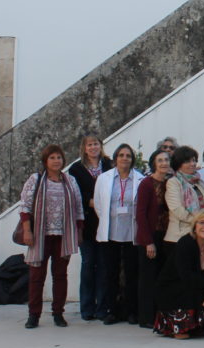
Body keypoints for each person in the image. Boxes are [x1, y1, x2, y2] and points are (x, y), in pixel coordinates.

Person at [19, 144, 85, 329]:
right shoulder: (36, 180)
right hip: (40, 235)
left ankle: (58, 313)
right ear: (45, 161)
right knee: (36, 276)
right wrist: (27, 230)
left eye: (59, 158)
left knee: (60, 275)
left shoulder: (70, 181)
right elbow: (25, 206)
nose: (56, 161)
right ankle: (34, 315)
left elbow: (79, 208)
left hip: (63, 235)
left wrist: (78, 231)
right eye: (52, 158)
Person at [153, 209, 204, 339]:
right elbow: (186, 276)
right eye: (202, 222)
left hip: (198, 285)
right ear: (195, 226)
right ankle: (178, 326)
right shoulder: (185, 243)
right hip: (174, 288)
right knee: (191, 289)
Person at [94, 143, 145, 324]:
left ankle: (131, 311)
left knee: (132, 274)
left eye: (128, 156)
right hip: (110, 232)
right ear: (115, 158)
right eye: (121, 155)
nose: (125, 158)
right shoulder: (104, 179)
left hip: (131, 233)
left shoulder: (139, 179)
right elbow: (99, 205)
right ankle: (111, 311)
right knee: (110, 273)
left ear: (132, 160)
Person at [66, 134, 111, 321]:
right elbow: (74, 193)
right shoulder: (76, 169)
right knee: (87, 265)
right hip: (86, 223)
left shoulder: (109, 164)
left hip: (106, 223)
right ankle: (87, 308)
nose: (93, 147)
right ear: (84, 148)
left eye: (96, 144)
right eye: (90, 145)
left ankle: (102, 308)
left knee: (103, 266)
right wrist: (89, 202)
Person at [135, 149, 171, 328]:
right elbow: (140, 214)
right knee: (148, 278)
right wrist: (148, 241)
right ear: (154, 163)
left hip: (167, 236)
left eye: (166, 160)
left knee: (162, 277)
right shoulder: (146, 184)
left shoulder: (170, 183)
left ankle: (160, 314)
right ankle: (146, 317)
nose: (164, 163)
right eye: (160, 160)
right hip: (150, 236)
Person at [164, 146, 204, 253]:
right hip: (179, 237)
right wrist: (199, 222)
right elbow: (177, 209)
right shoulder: (174, 182)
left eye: (194, 160)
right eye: (188, 161)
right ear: (179, 164)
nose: (192, 164)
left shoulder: (200, 182)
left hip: (199, 235)